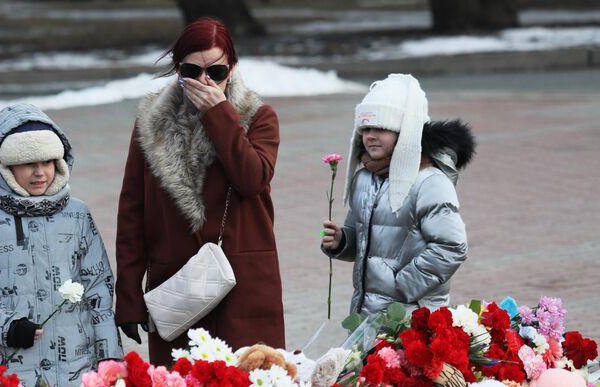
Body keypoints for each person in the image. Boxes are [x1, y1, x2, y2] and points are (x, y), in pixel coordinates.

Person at [115, 17, 285, 366]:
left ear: (232, 68)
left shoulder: (258, 117)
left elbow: (251, 179)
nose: (205, 81)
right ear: (179, 70)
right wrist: (129, 294)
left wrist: (219, 114)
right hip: (178, 290)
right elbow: (132, 210)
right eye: (193, 71)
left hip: (243, 288)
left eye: (217, 71)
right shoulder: (152, 123)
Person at [0, 102, 123, 387]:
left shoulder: (77, 215)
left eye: (47, 162)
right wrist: (8, 327)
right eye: (29, 163)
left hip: (76, 368)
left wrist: (110, 357)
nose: (39, 172)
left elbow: (98, 287)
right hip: (11, 369)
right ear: (7, 167)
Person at [321, 73, 475, 317]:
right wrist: (342, 240)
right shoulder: (364, 178)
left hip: (412, 317)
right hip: (366, 313)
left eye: (381, 128)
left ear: (405, 132)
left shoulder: (429, 181)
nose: (370, 135)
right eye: (366, 128)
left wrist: (402, 285)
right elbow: (364, 240)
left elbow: (452, 246)